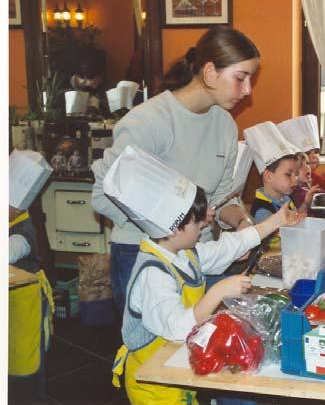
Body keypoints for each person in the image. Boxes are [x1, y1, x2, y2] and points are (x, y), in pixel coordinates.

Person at [106, 146, 304, 403]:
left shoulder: (182, 252)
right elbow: (177, 327)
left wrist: (275, 221)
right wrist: (217, 292)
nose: (204, 224)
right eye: (197, 221)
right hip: (154, 384)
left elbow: (227, 247)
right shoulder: (153, 274)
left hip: (176, 366)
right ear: (175, 227)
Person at [91, 26, 260, 315]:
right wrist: (178, 221)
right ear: (209, 72)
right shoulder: (149, 121)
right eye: (240, 79)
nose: (247, 91)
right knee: (155, 355)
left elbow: (222, 198)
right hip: (143, 256)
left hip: (198, 256)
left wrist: (242, 223)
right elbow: (102, 195)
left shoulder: (226, 126)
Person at [8, 150, 55, 400]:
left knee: (28, 362)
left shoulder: (23, 231)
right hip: (10, 305)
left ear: (18, 208)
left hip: (28, 303)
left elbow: (10, 251)